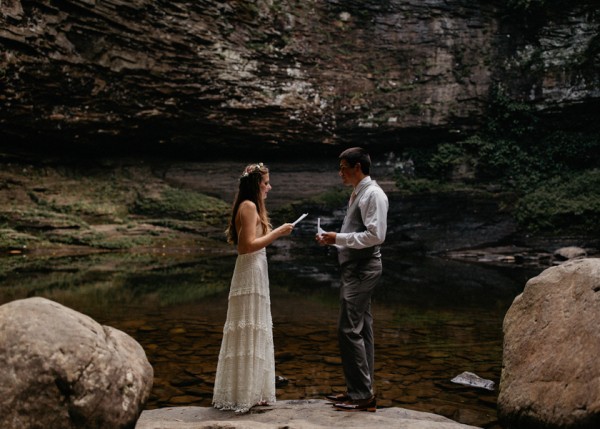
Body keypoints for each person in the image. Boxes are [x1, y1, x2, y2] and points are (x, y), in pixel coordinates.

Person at [212, 162, 294, 414]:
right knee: (248, 327)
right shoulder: (248, 207)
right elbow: (246, 246)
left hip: (256, 271)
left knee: (256, 327)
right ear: (255, 184)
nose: (269, 187)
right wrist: (278, 232)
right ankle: (244, 394)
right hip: (249, 271)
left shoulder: (253, 206)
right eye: (265, 182)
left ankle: (253, 391)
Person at [316, 147, 388, 412]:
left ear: (358, 166)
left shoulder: (373, 194)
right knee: (362, 330)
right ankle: (361, 391)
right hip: (356, 268)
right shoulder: (359, 193)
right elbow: (356, 233)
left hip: (363, 269)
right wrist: (332, 240)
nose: (340, 173)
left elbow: (375, 235)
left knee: (348, 329)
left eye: (343, 167)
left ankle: (361, 395)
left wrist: (339, 238)